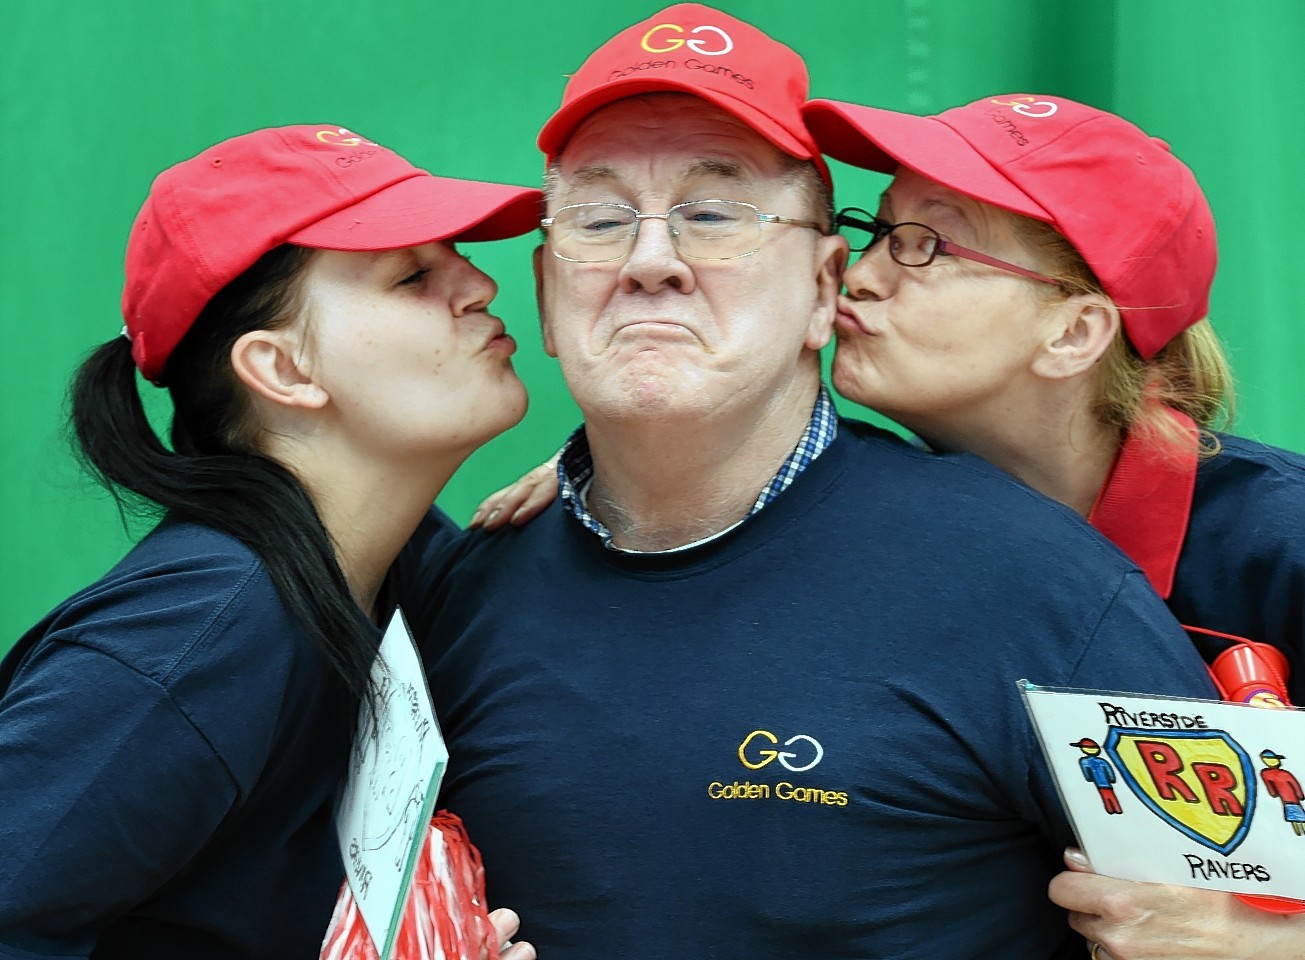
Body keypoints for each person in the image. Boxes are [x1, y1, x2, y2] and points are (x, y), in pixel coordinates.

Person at [406, 6, 1219, 958]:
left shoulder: (1043, 588)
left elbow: (1241, 922)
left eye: (714, 215)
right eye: (599, 217)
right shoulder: (458, 595)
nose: (650, 261)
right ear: (547, 293)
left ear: (827, 290)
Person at [0, 125, 541, 960]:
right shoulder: (205, 628)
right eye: (411, 276)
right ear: (283, 370)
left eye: (455, 256)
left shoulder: (400, 567)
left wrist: (594, 486)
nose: (476, 282)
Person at [797, 92, 1305, 958]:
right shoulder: (851, 507)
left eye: (926, 245)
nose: (863, 271)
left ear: (1073, 333)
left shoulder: (1280, 543)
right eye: (878, 228)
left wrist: (1278, 945)